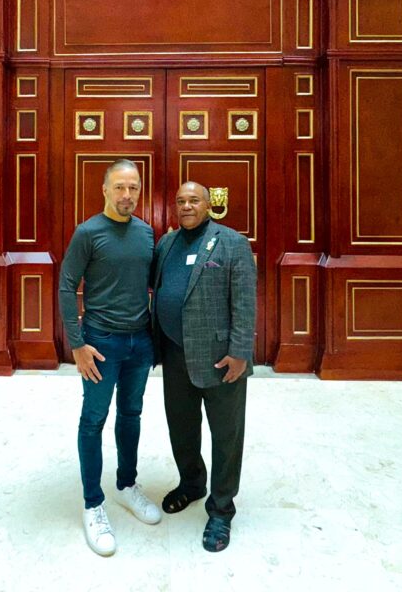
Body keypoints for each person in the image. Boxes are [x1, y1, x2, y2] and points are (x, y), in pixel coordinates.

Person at [58, 159, 162, 556]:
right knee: (94, 419)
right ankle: (93, 504)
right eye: (119, 187)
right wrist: (77, 343)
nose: (127, 195)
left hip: (140, 342)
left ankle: (126, 484)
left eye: (133, 187)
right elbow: (67, 285)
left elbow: (153, 284)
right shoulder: (88, 232)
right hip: (101, 343)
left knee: (131, 414)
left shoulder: (146, 233)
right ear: (104, 189)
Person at [151, 181, 257, 552]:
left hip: (221, 359)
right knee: (181, 427)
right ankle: (192, 483)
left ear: (208, 205)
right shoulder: (166, 244)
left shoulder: (232, 243)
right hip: (174, 355)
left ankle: (222, 508)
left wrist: (240, 352)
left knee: (226, 435)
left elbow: (245, 301)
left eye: (194, 200)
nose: (186, 206)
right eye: (180, 200)